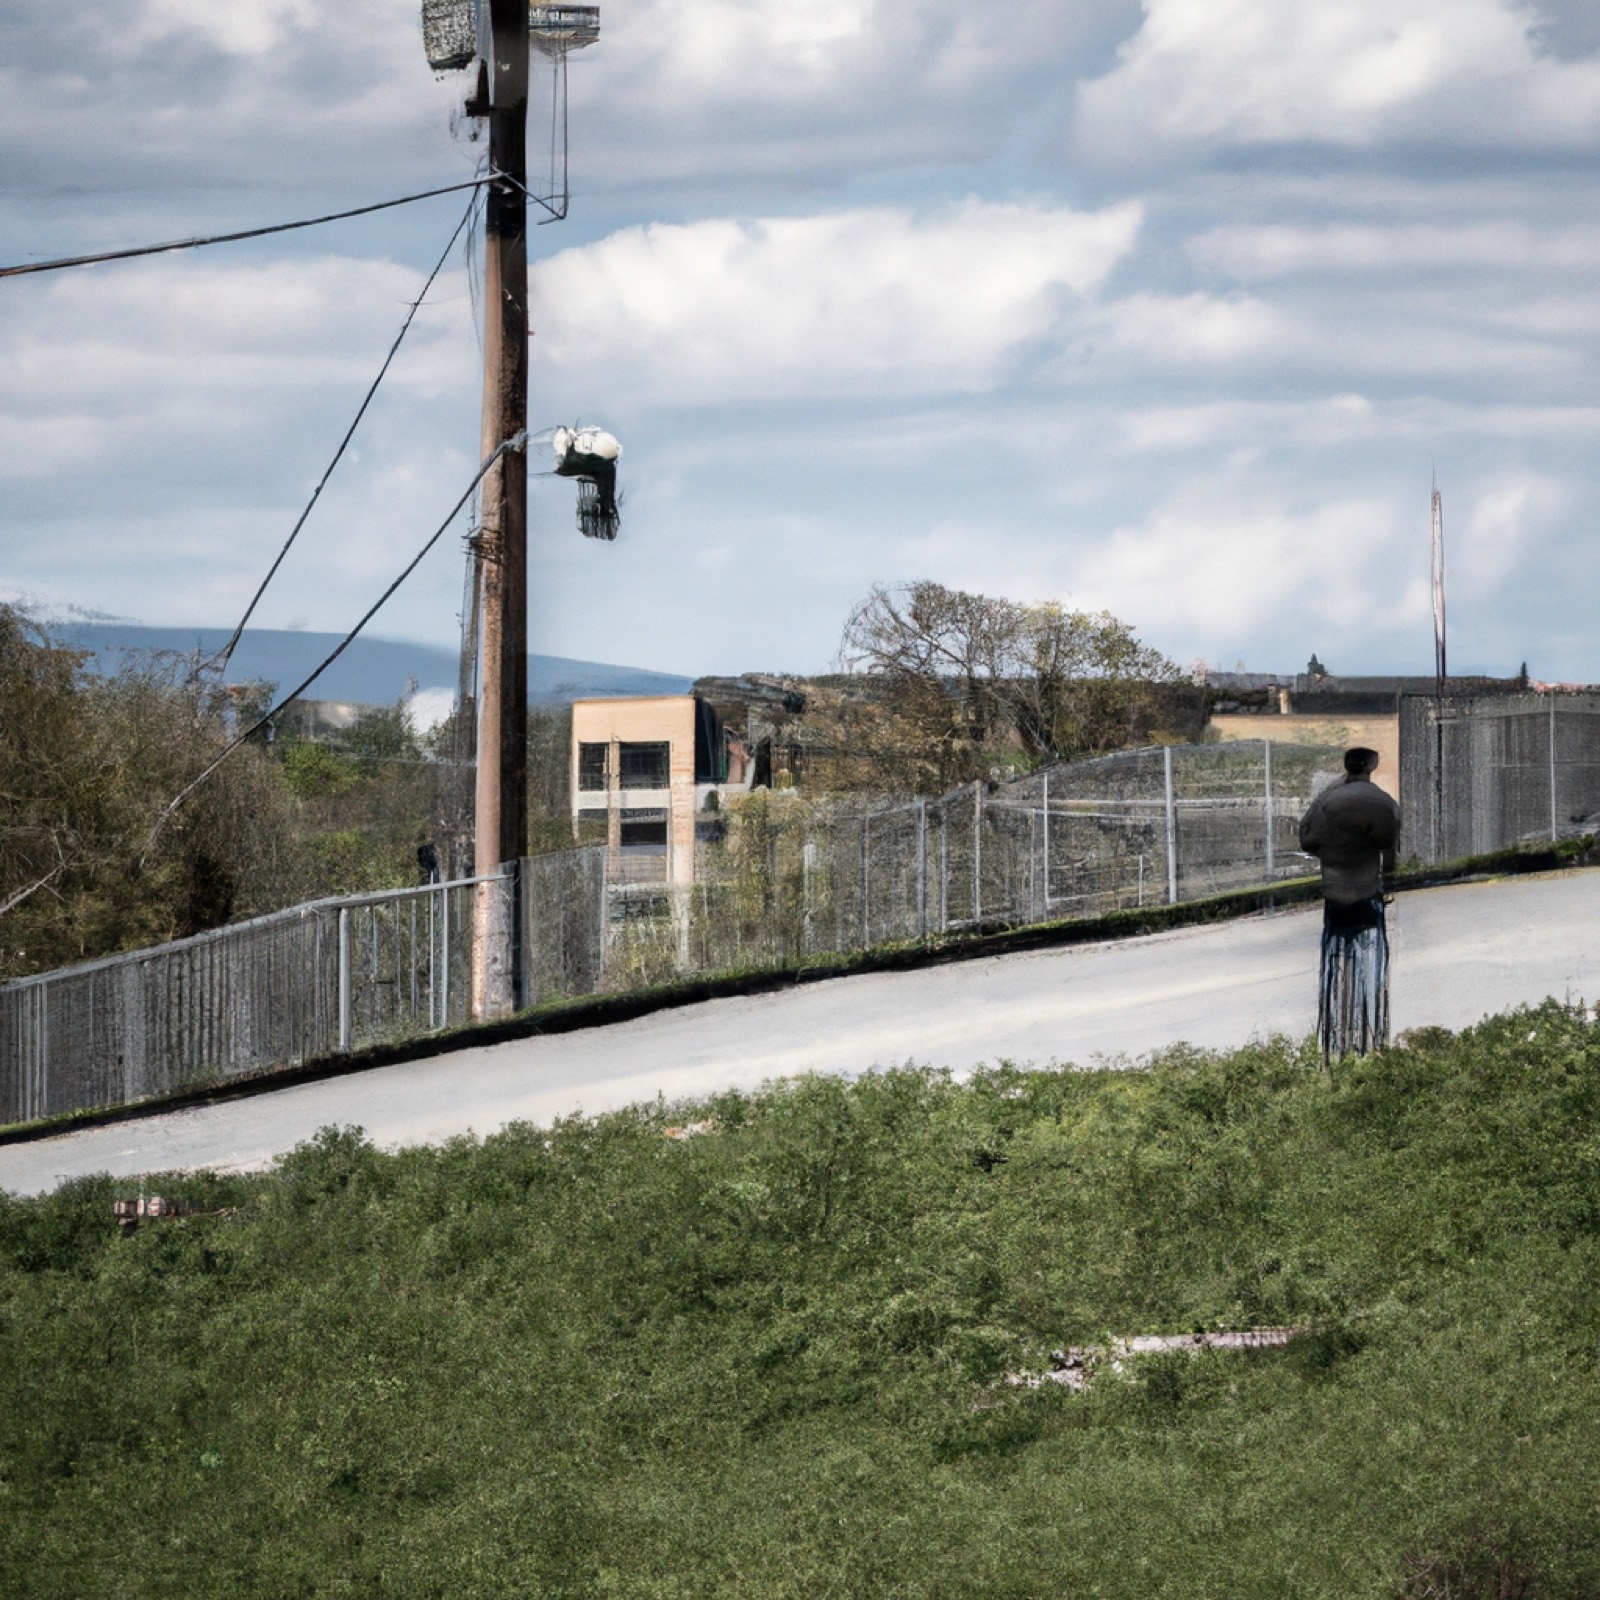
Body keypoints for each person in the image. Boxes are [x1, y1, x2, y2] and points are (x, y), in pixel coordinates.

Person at [1298, 747, 1401, 1059]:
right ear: (1373, 765)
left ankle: (1333, 1046)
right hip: (1369, 894)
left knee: (1334, 972)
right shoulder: (1383, 802)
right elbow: (1389, 849)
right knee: (1370, 974)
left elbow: (1307, 839)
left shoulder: (1327, 801)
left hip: (1335, 894)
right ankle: (1371, 1043)